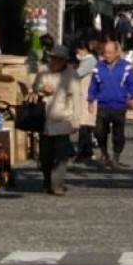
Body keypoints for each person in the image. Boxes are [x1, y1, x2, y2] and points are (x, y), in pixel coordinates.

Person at [35, 44, 92, 195]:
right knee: (45, 155)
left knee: (61, 156)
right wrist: (41, 89)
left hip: (63, 119)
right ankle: (47, 181)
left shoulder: (71, 75)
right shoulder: (44, 71)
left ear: (64, 61)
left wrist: (76, 120)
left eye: (57, 60)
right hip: (44, 119)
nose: (53, 62)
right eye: (52, 59)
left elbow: (77, 99)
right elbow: (35, 87)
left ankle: (57, 184)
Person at [86, 37, 133, 168]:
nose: (107, 55)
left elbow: (132, 84)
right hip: (103, 104)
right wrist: (90, 99)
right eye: (105, 52)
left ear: (117, 53)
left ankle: (116, 156)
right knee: (99, 132)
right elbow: (93, 84)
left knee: (118, 134)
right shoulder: (98, 67)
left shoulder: (126, 66)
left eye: (110, 52)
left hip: (119, 105)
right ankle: (104, 154)